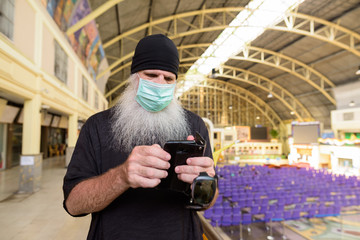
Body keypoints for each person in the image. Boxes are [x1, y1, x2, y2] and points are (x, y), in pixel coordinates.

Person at [63, 34, 217, 240]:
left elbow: (208, 201)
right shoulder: (97, 127)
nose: (160, 83)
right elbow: (74, 205)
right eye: (151, 75)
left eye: (169, 78)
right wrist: (121, 176)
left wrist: (205, 183)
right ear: (134, 77)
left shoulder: (194, 125)